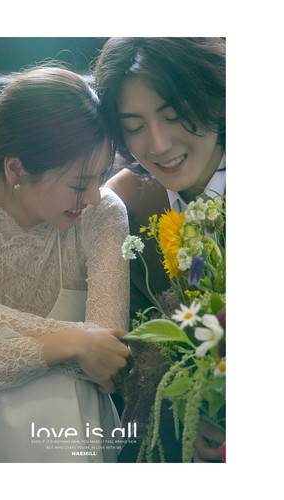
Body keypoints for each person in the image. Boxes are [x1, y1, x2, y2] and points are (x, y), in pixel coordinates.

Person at [0, 65, 131, 463]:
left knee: (58, 393)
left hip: (66, 434)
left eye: (101, 177)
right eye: (79, 184)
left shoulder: (103, 215)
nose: (94, 197)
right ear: (16, 169)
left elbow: (108, 359)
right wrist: (75, 342)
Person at [92, 37, 226, 462]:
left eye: (174, 116)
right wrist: (187, 408)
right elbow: (121, 351)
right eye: (134, 127)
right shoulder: (126, 205)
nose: (159, 145)